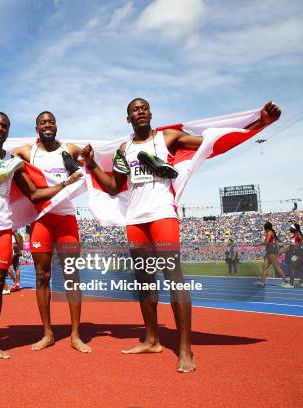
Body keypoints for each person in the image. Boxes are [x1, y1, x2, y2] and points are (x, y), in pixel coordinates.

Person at [80, 99, 281, 373]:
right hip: (135, 219)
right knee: (144, 281)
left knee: (174, 279)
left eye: (144, 107)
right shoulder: (124, 149)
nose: (140, 111)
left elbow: (212, 142)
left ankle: (185, 349)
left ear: (150, 113)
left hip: (162, 213)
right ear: (128, 119)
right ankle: (152, 339)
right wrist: (91, 164)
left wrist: (259, 124)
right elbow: (114, 187)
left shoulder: (167, 138)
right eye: (134, 110)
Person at [0, 112, 82, 368]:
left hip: (2, 229)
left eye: (4, 126)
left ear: (8, 132)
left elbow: (34, 194)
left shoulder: (13, 162)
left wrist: (65, 183)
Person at [12, 111, 90, 352]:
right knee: (41, 276)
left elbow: (88, 155)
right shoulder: (29, 151)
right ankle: (48, 333)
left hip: (66, 217)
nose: (47, 125)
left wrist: (86, 156)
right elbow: (7, 157)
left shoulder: (68, 147)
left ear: (56, 126)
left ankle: (76, 335)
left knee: (71, 275)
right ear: (37, 128)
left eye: (51, 122)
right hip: (41, 219)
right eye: (43, 123)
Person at [257, 222, 292, 288]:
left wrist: (258, 244)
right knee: (265, 267)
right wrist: (277, 250)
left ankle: (286, 282)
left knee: (277, 268)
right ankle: (262, 282)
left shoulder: (269, 232)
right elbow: (275, 242)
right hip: (269, 251)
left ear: (266, 227)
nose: (264, 228)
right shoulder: (272, 232)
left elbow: (267, 242)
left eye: (264, 227)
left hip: (271, 251)